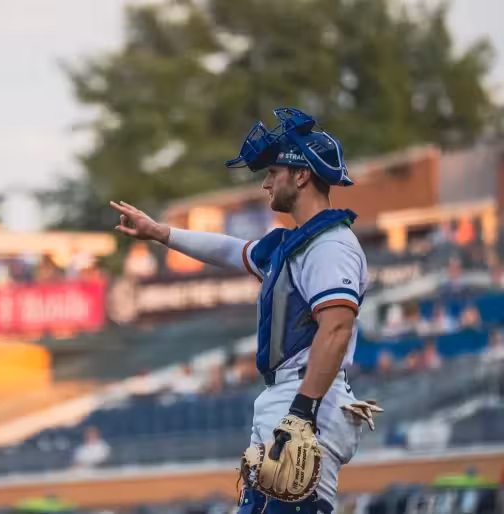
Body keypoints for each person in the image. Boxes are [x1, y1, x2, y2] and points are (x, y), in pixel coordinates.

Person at [110, 108, 381, 513]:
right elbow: (228, 250)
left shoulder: (331, 245)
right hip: (290, 397)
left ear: (302, 175)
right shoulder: (294, 243)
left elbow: (337, 329)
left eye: (274, 172)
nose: (267, 183)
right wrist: (160, 232)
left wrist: (302, 411)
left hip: (307, 397)